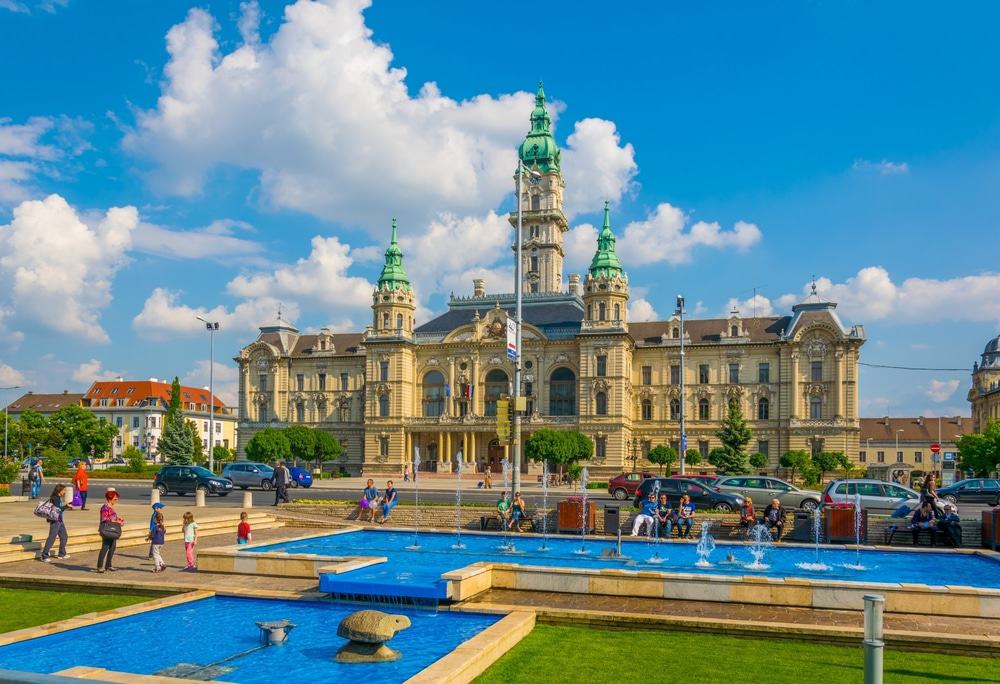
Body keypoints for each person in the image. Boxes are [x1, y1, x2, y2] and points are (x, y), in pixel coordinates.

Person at [39, 484, 69, 563]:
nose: (65, 492)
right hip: (55, 521)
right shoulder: (55, 498)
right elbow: (57, 510)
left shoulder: (58, 498)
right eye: (64, 490)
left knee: (64, 536)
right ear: (60, 491)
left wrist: (66, 505)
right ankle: (44, 555)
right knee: (52, 537)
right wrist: (66, 506)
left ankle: (61, 554)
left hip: (59, 520)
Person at [96, 490, 124, 573]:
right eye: (115, 499)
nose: (116, 500)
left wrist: (119, 520)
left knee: (112, 548)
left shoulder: (111, 507)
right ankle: (99, 566)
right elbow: (105, 519)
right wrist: (116, 521)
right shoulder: (105, 507)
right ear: (110, 499)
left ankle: (108, 565)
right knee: (105, 547)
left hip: (112, 530)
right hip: (107, 530)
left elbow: (112, 518)